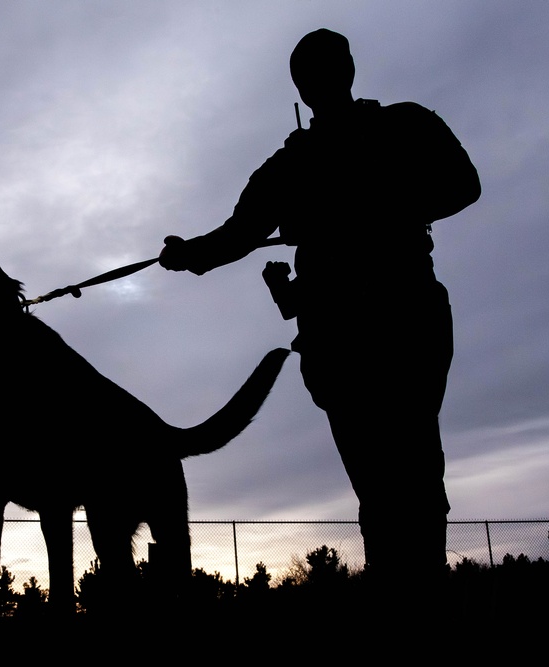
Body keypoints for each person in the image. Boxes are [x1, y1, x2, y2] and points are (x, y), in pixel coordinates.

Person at [160, 29, 480, 602]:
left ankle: (417, 593)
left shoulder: (394, 129)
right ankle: (410, 594)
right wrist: (188, 254)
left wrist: (373, 212)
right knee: (397, 481)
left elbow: (462, 184)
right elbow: (235, 236)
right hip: (350, 336)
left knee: (402, 479)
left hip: (391, 326)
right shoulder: (302, 161)